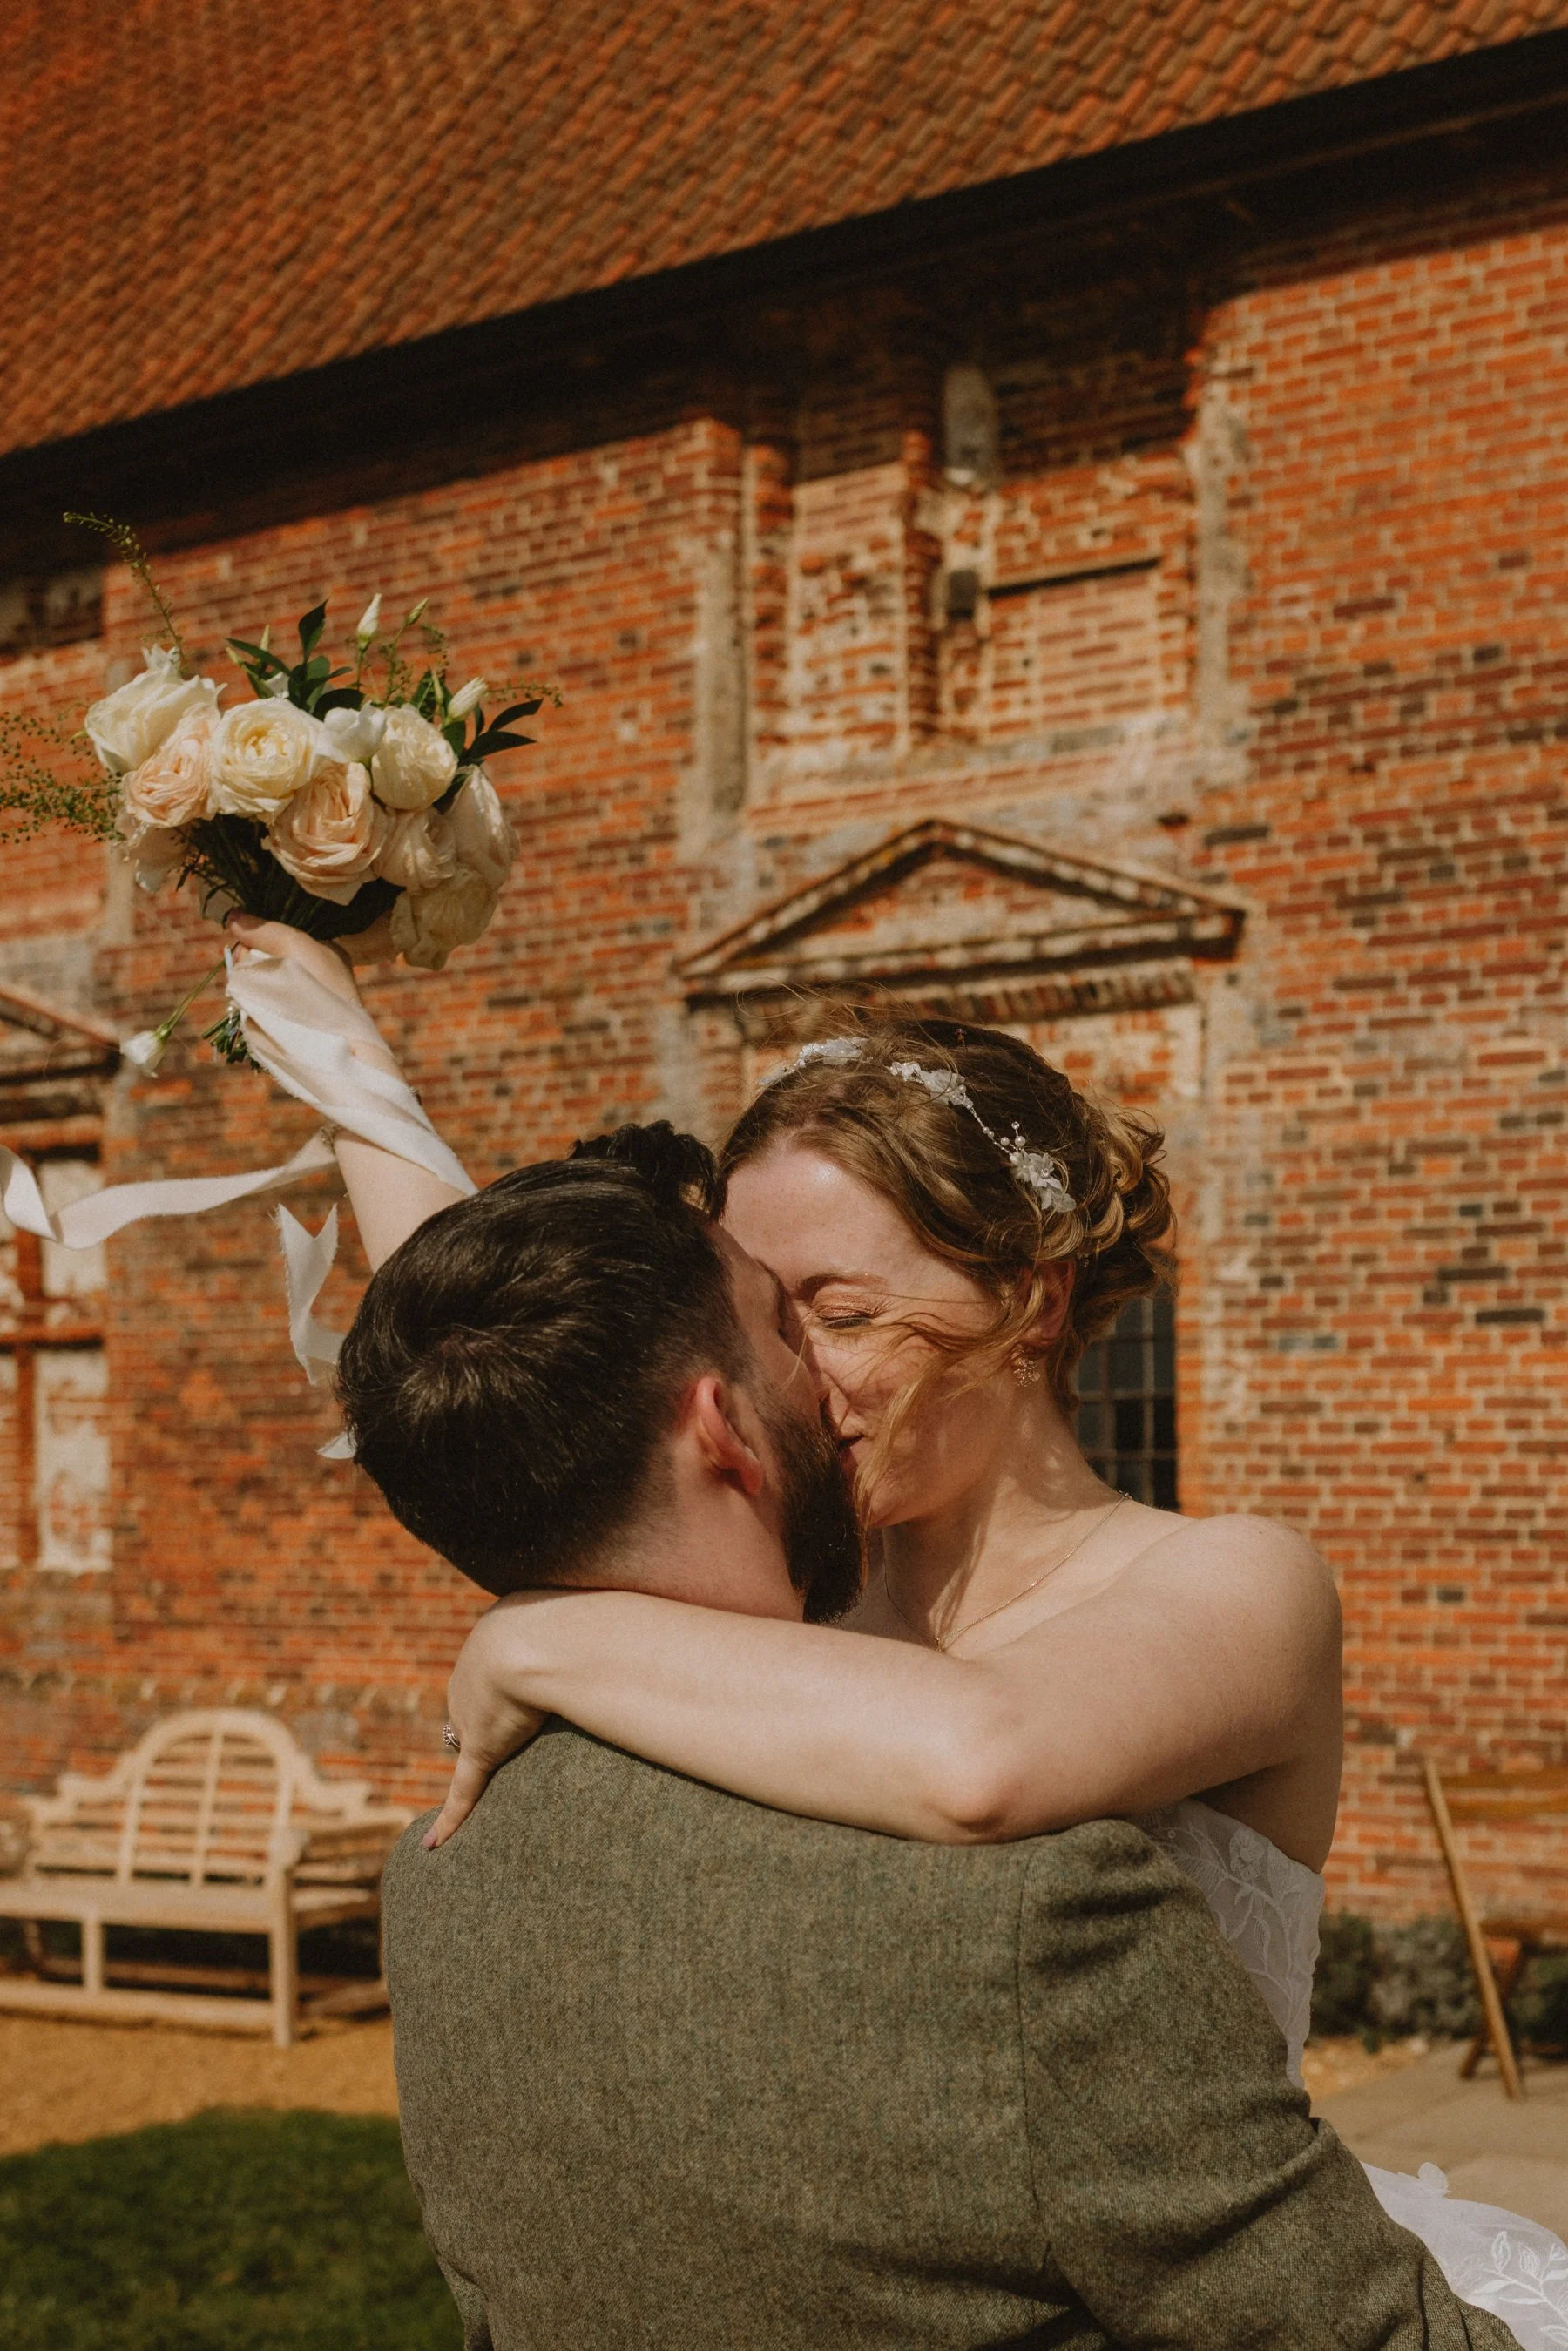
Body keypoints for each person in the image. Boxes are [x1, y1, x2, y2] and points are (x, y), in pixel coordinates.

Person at [229, 914, 1568, 2345]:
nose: (786, 1374)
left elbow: (986, 1755)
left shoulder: (1235, 1584)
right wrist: (347, 1060)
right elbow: (543, 1393)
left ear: (1030, 1300)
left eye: (845, 1311)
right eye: (764, 1316)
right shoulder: (802, 1579)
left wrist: (533, 1640)